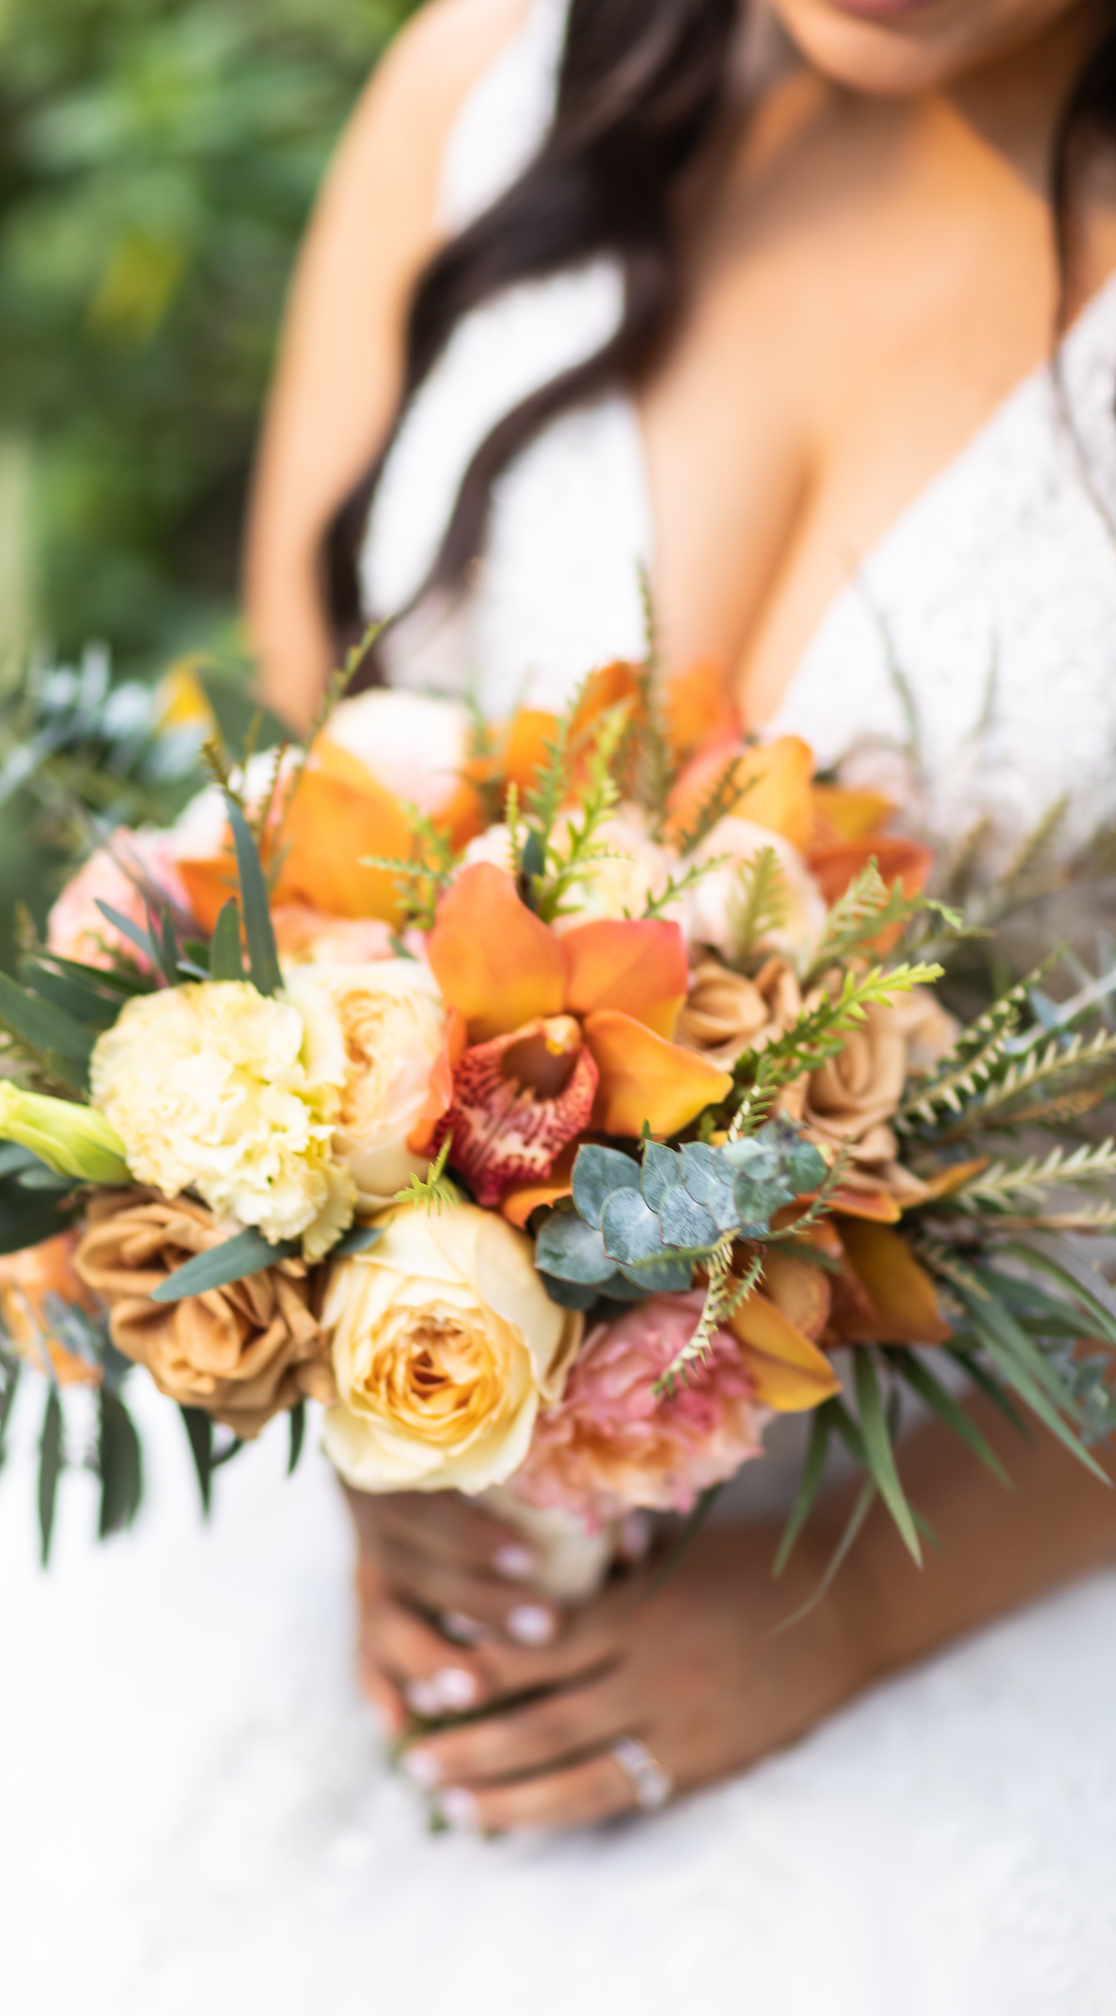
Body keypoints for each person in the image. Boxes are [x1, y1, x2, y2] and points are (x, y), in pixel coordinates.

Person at [245, 0, 1116, 1834]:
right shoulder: (480, 92)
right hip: (404, 1562)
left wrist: (862, 1608)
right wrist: (368, 1379)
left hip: (996, 1546)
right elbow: (291, 838)